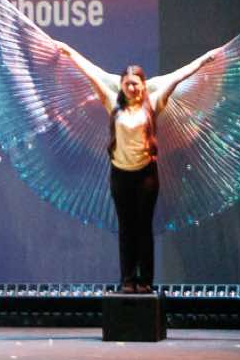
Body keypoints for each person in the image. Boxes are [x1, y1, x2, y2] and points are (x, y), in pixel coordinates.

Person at [55, 41, 221, 293]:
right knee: (126, 228)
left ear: (143, 85)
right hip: (120, 175)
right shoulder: (113, 104)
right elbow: (92, 73)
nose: (132, 88)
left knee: (143, 227)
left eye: (136, 83)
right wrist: (69, 52)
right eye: (127, 84)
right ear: (122, 86)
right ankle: (128, 280)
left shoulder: (153, 103)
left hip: (146, 176)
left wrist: (205, 58)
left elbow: (178, 76)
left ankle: (145, 281)